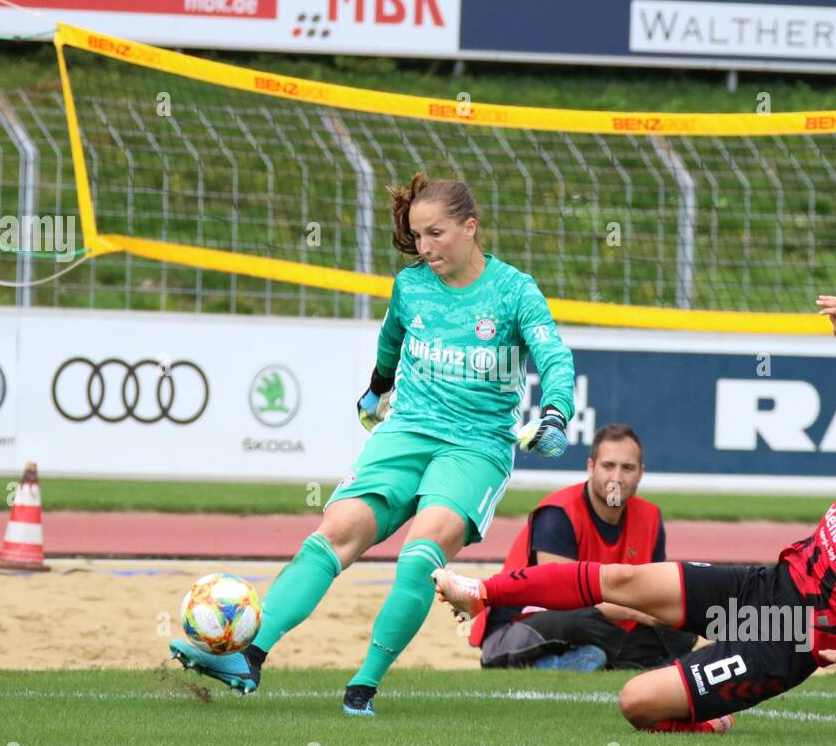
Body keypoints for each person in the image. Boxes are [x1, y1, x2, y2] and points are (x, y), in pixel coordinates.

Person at [435, 296, 836, 734]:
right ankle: (481, 593)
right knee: (623, 581)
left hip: (788, 638)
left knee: (636, 702)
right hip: (766, 584)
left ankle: (709, 715)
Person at [170, 173, 576, 715]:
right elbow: (392, 341)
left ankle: (363, 686)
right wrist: (376, 389)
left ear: (470, 227)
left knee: (419, 558)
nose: (425, 247)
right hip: (406, 430)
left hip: (475, 447)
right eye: (417, 235)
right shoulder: (411, 287)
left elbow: (554, 357)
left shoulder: (514, 291)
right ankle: (250, 657)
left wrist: (556, 413)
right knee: (335, 532)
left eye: (436, 234)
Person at [473, 423, 697, 671]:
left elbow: (652, 591)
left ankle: (592, 660)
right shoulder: (559, 513)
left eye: (628, 468)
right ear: (591, 467)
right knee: (582, 619)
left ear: (641, 473)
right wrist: (637, 612)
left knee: (678, 629)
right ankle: (607, 660)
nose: (617, 478)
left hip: (602, 626)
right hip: (518, 628)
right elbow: (563, 597)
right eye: (608, 466)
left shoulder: (650, 518)